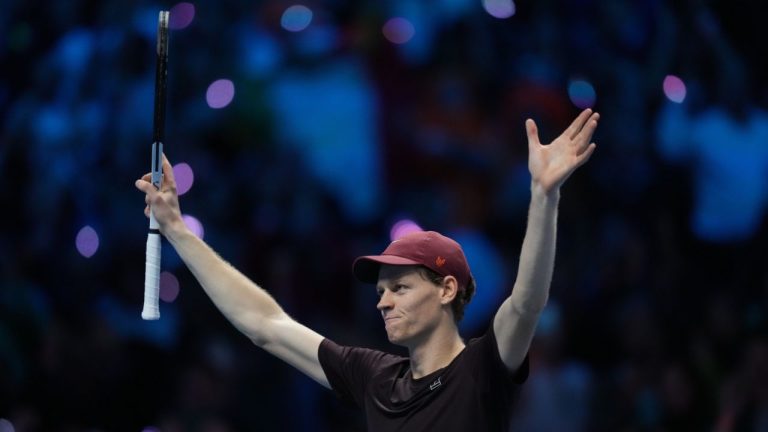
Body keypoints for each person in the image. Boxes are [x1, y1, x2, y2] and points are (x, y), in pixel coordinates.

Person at [135, 108, 600, 431]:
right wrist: (178, 230)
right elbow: (265, 325)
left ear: (446, 290)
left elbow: (526, 302)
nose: (382, 300)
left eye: (399, 286)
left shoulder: (481, 370)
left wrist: (544, 196)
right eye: (381, 289)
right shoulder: (376, 377)